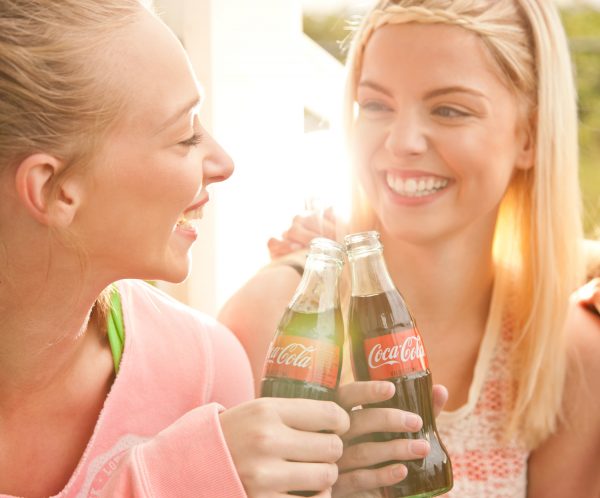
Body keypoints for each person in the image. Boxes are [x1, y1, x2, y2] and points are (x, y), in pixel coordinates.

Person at [0, 1, 446, 497]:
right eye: (185, 135)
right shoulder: (213, 437)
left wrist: (315, 487)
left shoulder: (206, 368)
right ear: (51, 188)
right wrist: (180, 479)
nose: (223, 162)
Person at [218, 0, 600, 496]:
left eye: (449, 109)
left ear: (528, 134)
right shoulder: (276, 320)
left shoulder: (567, 348)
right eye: (375, 105)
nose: (402, 142)